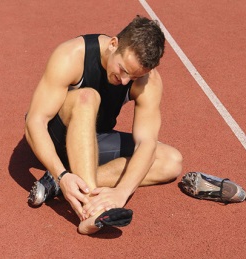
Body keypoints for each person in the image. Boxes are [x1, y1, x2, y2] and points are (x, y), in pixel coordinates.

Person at [24, 15, 183, 235]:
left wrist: (122, 192)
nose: (126, 81)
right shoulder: (72, 56)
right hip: (57, 136)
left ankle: (63, 183)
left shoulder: (148, 81)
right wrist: (61, 173)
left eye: (134, 76)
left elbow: (146, 142)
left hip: (93, 139)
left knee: (171, 162)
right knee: (88, 97)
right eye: (124, 70)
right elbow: (34, 121)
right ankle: (90, 211)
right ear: (113, 44)